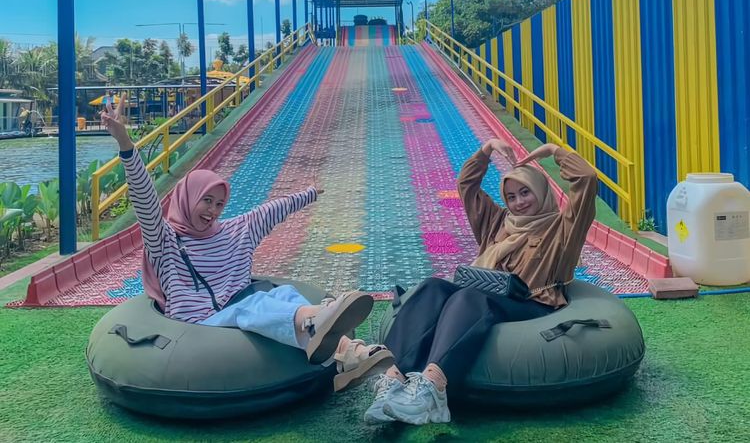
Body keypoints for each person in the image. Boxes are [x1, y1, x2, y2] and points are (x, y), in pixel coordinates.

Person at [101, 93, 393, 389]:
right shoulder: (164, 240)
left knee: (284, 294)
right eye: (207, 201)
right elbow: (145, 202)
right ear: (187, 199)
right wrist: (126, 145)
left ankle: (350, 355)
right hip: (196, 325)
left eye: (219, 204)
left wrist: (310, 193)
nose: (213, 211)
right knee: (253, 305)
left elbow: (270, 211)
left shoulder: (233, 232)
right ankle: (318, 320)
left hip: (235, 308)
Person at [364, 138, 599, 425]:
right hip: (488, 294)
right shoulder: (498, 222)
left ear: (541, 191)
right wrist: (486, 150)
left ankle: (433, 390)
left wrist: (554, 151)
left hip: (531, 303)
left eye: (525, 192)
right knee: (433, 287)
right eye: (511, 196)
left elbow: (586, 180)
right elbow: (467, 186)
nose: (519, 202)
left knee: (468, 297)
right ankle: (392, 382)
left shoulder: (562, 229)